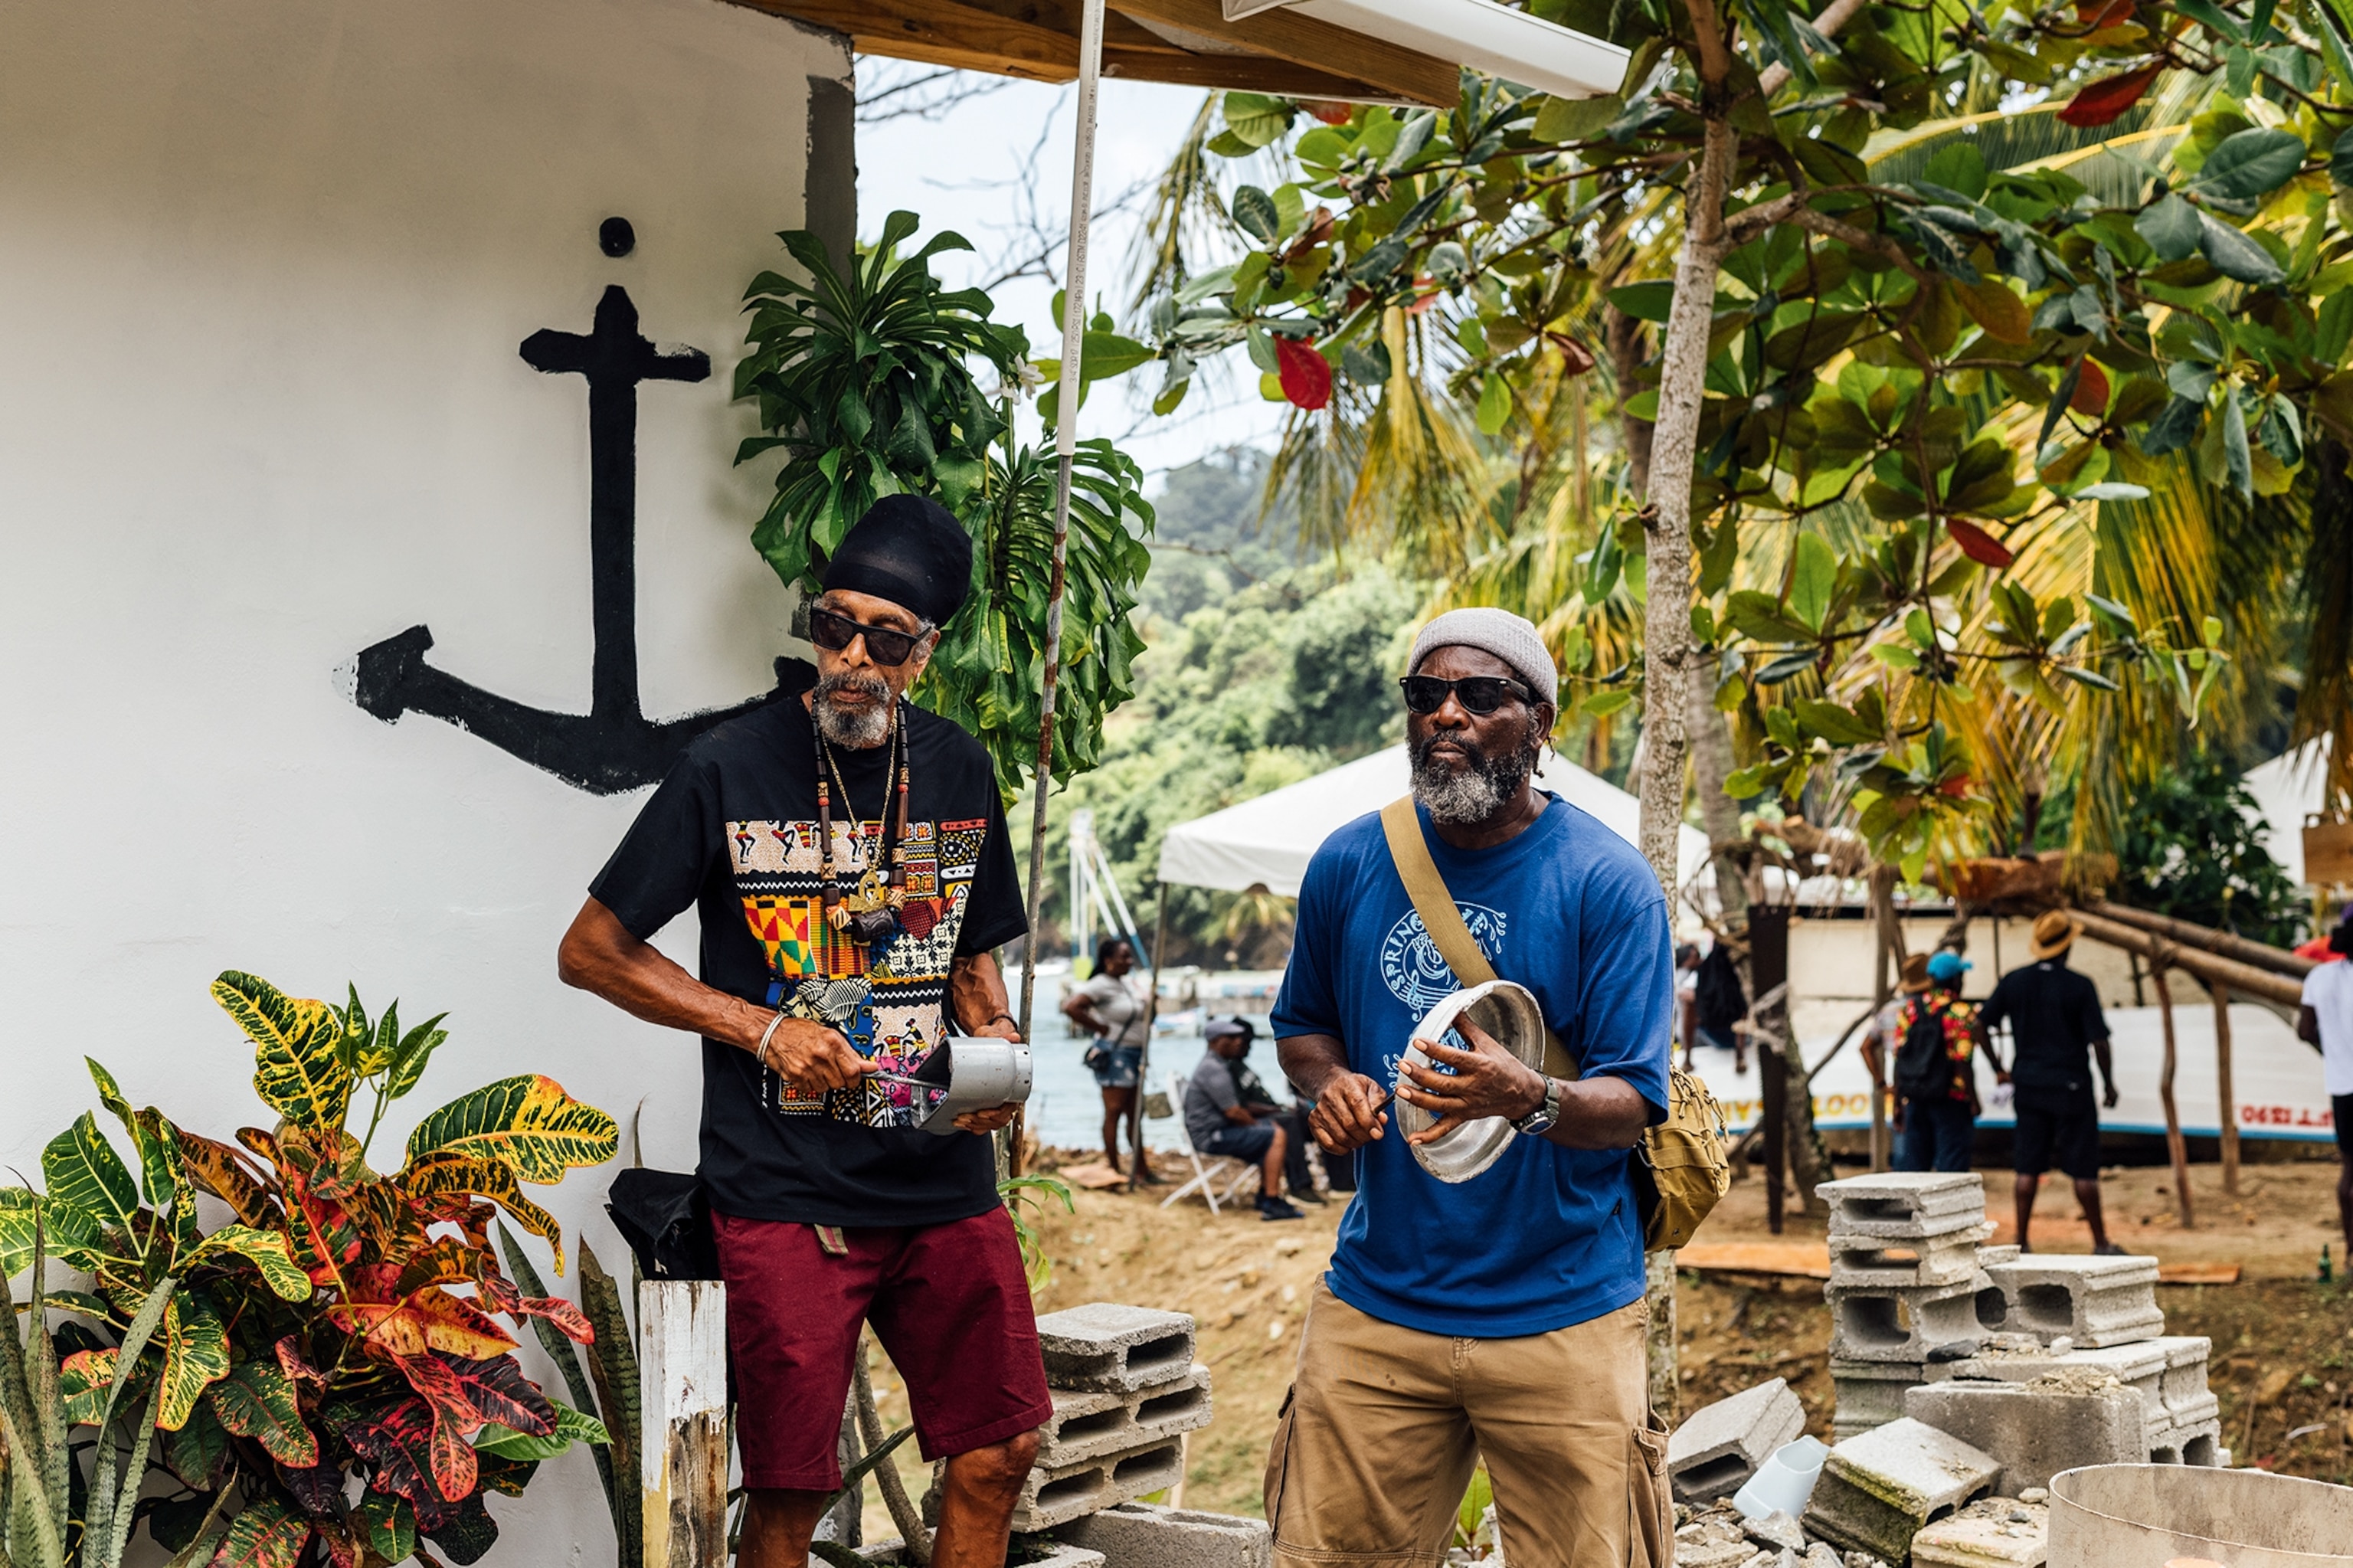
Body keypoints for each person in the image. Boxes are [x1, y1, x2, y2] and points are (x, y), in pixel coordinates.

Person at [555, 495, 1048, 1568]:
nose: (854, 657)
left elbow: (971, 957)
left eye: (887, 638)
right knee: (791, 1490)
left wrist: (999, 1049)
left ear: (926, 652)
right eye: (834, 626)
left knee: (1001, 1446)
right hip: (786, 1190)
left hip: (940, 1180)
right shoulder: (729, 766)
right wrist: (762, 1027)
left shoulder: (959, 769)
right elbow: (592, 949)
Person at [1270, 607, 1674, 1567]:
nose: (1446, 714)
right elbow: (1302, 1029)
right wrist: (1332, 1085)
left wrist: (1527, 1097)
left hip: (1564, 1311)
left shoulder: (1609, 882)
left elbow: (1632, 1103)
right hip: (1380, 1303)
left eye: (1480, 694)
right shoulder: (1349, 861)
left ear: (1539, 724)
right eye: (1426, 694)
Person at [1977, 911, 2123, 1255]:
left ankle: (2022, 1241)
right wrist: (2109, 1084)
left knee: (2027, 1167)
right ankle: (2101, 1243)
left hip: (2029, 1085)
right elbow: (2099, 1042)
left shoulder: (2014, 982)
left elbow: (1979, 1025)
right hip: (2072, 1085)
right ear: (2067, 946)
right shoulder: (2080, 985)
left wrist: (1999, 1068)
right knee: (2084, 1170)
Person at [1186, 1017, 1305, 1220]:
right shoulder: (1213, 1069)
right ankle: (1272, 1201)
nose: (1238, 1042)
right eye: (1231, 1038)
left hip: (1217, 1130)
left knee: (1271, 1130)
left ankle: (1265, 1194)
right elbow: (1233, 1112)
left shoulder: (1217, 1065)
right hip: (1210, 1136)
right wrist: (1257, 1126)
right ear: (1215, 1041)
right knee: (1275, 1134)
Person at [1063, 935, 1155, 1180]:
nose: (1129, 961)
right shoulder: (1100, 984)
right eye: (1124, 957)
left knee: (1134, 1112)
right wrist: (1100, 1028)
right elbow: (1071, 1007)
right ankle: (1113, 1166)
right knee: (1114, 1110)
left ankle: (1141, 1170)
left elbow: (1147, 1016)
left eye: (1130, 956)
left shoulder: (1128, 983)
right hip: (1116, 1054)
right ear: (1108, 960)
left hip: (1136, 1054)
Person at [1890, 949, 1981, 1174]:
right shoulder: (1961, 1012)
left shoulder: (1910, 1010)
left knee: (1915, 1169)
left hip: (1915, 1096)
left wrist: (1897, 1102)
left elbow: (1900, 1058)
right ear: (1956, 979)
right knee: (1952, 1167)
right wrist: (1973, 1098)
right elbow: (1962, 1060)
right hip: (1951, 1098)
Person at [2297, 917, 2353, 1257]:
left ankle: (2350, 1253)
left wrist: (2332, 1050)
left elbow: (2305, 1030)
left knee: (2349, 1171)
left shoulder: (2320, 977)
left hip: (2342, 1085)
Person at [1864, 953, 1933, 1151]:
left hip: (1904, 1090)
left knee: (1908, 1158)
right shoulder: (1935, 1009)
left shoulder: (1889, 1011)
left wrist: (1883, 1084)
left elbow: (1866, 1047)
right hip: (1936, 1089)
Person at [1694, 939, 1748, 1073]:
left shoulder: (1705, 968)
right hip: (1734, 1036)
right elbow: (1743, 1011)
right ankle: (1740, 1057)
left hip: (1710, 1033)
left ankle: (1687, 1060)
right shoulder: (1736, 971)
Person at [1675, 943, 1701, 1070]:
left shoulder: (1684, 974)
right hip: (1686, 1029)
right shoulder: (1683, 974)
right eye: (1694, 956)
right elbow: (1685, 994)